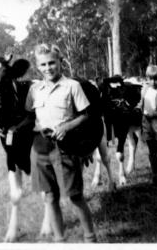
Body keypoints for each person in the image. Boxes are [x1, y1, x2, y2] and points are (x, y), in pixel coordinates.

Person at [25, 43, 97, 242]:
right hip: (40, 149)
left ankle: (91, 239)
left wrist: (66, 127)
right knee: (49, 197)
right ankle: (59, 241)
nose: (48, 68)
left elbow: (86, 115)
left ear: (60, 62)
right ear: (37, 67)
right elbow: (30, 115)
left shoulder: (72, 86)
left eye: (52, 63)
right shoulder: (34, 89)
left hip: (64, 148)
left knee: (75, 196)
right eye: (43, 65)